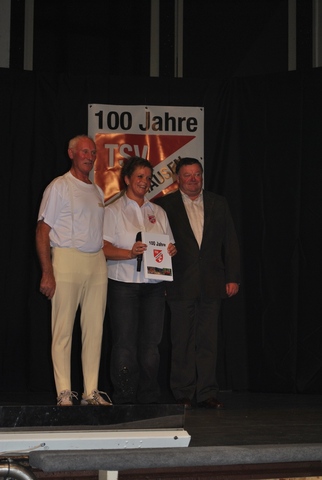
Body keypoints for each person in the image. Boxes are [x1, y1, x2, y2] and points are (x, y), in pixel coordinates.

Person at [155, 157, 240, 409]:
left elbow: (231, 242)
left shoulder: (218, 203)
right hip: (179, 283)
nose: (193, 179)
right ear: (177, 179)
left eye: (197, 175)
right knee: (181, 340)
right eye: (188, 175)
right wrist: (162, 280)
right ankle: (182, 392)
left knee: (208, 341)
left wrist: (233, 277)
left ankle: (207, 392)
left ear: (202, 176)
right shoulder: (164, 206)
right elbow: (158, 244)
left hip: (213, 282)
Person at [35, 134, 112, 407]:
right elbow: (43, 230)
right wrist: (48, 271)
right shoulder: (59, 186)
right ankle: (64, 392)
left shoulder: (98, 192)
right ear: (71, 154)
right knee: (63, 330)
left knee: (95, 330)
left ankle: (91, 392)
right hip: (66, 259)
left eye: (93, 152)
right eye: (84, 152)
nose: (90, 156)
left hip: (96, 263)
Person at [103, 156, 176, 405]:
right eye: (139, 177)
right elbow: (102, 248)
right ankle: (124, 396)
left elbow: (168, 245)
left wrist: (170, 251)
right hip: (122, 284)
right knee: (124, 343)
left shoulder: (159, 212)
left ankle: (148, 396)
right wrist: (128, 253)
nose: (144, 182)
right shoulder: (113, 211)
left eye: (147, 177)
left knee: (151, 345)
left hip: (154, 287)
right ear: (127, 179)